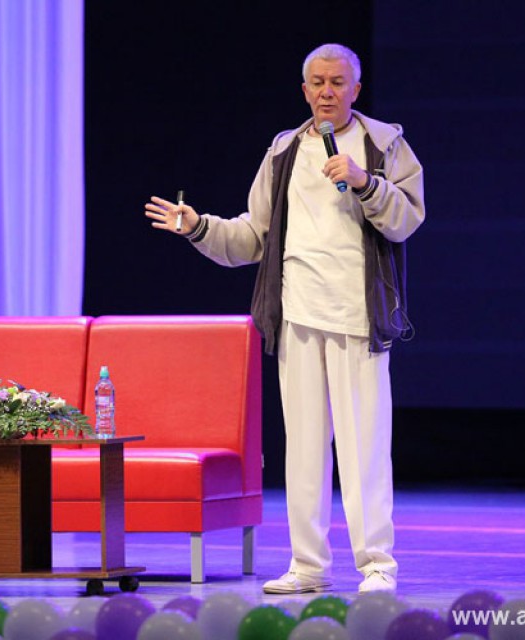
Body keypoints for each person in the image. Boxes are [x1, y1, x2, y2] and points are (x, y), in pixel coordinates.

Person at [144, 43, 424, 594]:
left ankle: (377, 566)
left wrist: (365, 181)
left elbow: (406, 219)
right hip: (297, 314)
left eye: (338, 82)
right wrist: (198, 227)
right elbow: (253, 236)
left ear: (356, 89)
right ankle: (308, 565)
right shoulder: (284, 151)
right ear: (304, 90)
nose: (327, 92)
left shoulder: (384, 144)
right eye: (317, 82)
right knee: (304, 448)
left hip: (358, 316)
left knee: (364, 449)